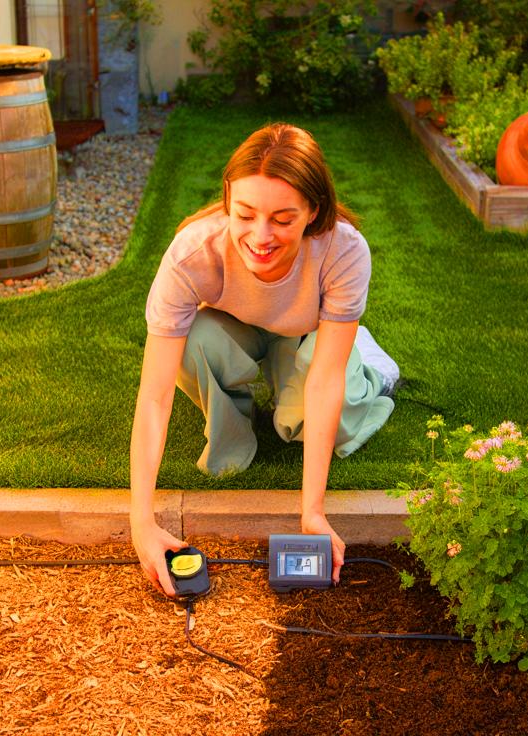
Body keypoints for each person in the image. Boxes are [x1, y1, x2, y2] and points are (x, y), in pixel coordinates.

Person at [129, 122, 399, 597]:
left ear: (313, 211)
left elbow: (324, 381)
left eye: (282, 219)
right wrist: (141, 522)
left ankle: (372, 367)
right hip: (239, 324)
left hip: (309, 330)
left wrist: (312, 512)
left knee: (317, 422)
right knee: (190, 344)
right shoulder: (192, 253)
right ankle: (235, 435)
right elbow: (154, 396)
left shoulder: (344, 249)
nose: (260, 235)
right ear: (228, 199)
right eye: (245, 214)